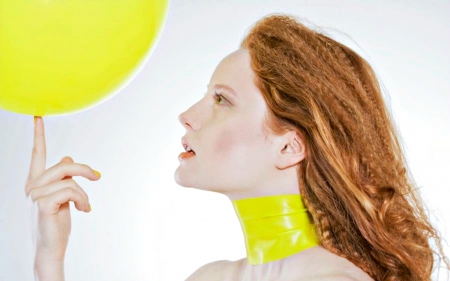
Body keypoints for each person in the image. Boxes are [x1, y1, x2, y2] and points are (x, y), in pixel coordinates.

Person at [26, 15, 448, 281]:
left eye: (222, 99)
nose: (187, 115)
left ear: (289, 147)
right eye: (206, 94)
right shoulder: (208, 278)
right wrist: (50, 260)